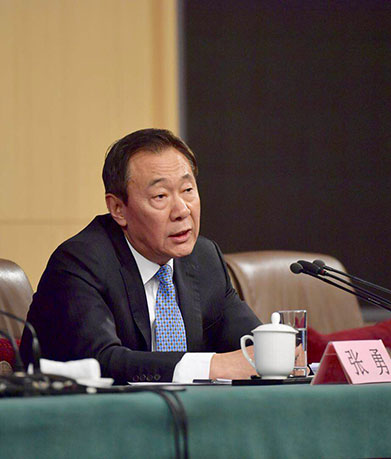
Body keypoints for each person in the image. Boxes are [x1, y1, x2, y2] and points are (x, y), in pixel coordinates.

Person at [19, 128, 261, 383]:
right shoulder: (79, 263)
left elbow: (252, 344)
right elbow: (101, 361)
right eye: (160, 196)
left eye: (188, 190)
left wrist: (278, 349)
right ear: (118, 209)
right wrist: (212, 366)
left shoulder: (204, 258)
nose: (182, 210)